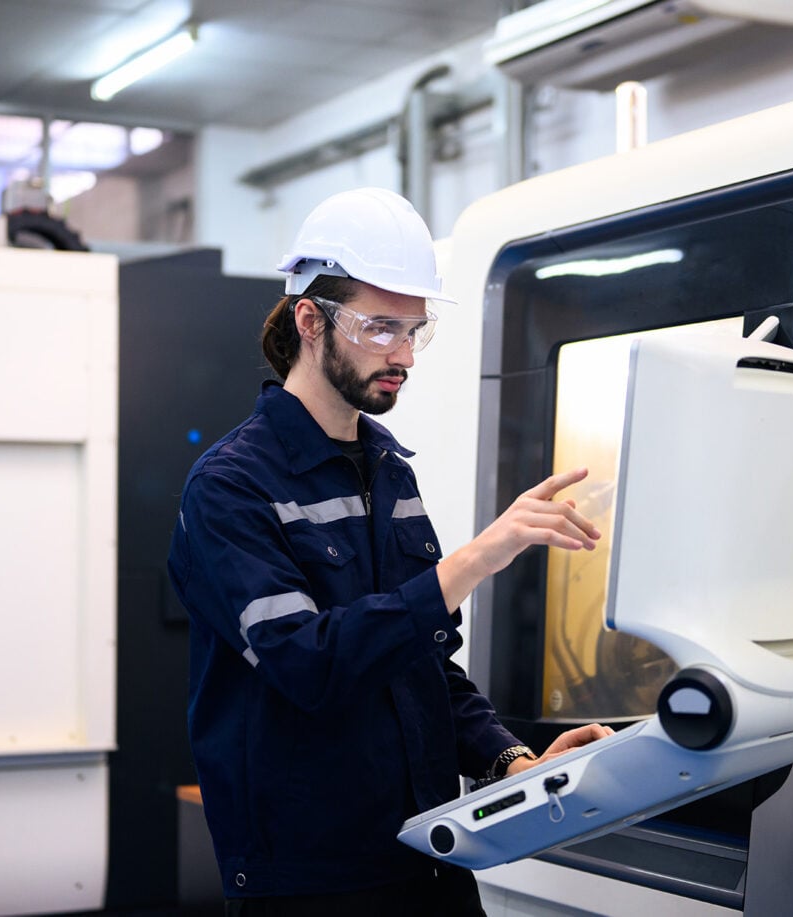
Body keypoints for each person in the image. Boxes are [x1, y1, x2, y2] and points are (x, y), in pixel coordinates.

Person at [168, 187, 614, 916]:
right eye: (380, 328)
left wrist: (513, 760)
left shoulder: (387, 471)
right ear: (310, 319)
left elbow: (420, 666)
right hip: (312, 883)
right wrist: (475, 558)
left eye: (414, 330)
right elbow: (307, 664)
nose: (403, 355)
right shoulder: (229, 487)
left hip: (428, 860)